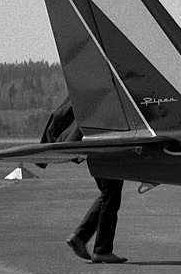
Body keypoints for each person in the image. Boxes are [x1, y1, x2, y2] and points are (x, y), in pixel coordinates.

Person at [42, 100, 128, 264]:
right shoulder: (106, 94)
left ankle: (81, 237)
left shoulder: (91, 95)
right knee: (111, 196)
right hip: (105, 144)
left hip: (93, 145)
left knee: (107, 195)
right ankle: (101, 250)